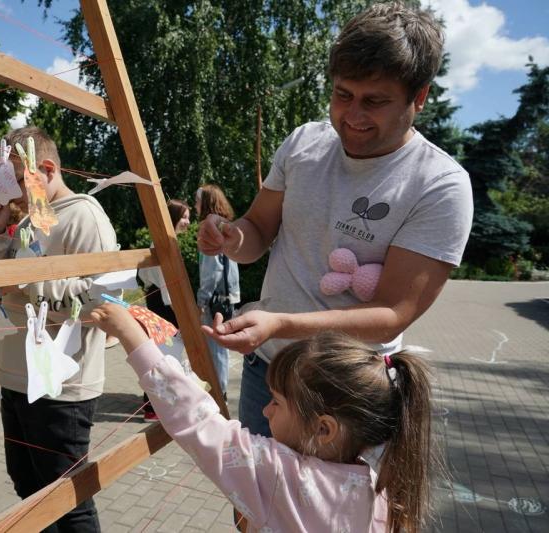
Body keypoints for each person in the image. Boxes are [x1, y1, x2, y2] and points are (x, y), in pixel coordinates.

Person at [198, 2, 473, 438]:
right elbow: (258, 231)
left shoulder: (439, 184)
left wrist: (283, 323)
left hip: (344, 389)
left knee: (330, 507)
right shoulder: (304, 143)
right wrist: (230, 238)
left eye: (375, 101)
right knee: (252, 502)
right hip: (266, 371)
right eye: (342, 94)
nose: (353, 115)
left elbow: (392, 313)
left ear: (418, 97)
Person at [92, 303, 435, 532]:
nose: (264, 410)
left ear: (323, 428)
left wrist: (131, 334)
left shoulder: (280, 476)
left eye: (277, 402)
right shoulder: (382, 489)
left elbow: (197, 421)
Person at [0, 126, 118, 533]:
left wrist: (30, 279)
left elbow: (103, 301)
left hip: (61, 390)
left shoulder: (85, 216)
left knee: (67, 503)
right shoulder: (31, 220)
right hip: (15, 380)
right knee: (29, 490)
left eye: (15, 180)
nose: (8, 193)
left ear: (46, 169)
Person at [136, 198, 191, 420]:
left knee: (165, 354)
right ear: (174, 217)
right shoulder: (162, 245)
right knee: (164, 355)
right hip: (164, 305)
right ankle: (152, 406)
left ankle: (157, 404)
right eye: (185, 216)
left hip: (160, 302)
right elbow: (166, 286)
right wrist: (182, 313)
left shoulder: (163, 242)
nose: (188, 221)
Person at [195, 185, 239, 401]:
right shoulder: (227, 227)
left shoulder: (210, 228)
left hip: (214, 300)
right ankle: (219, 390)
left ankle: (218, 393)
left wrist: (201, 300)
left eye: (197, 201)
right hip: (228, 297)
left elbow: (212, 271)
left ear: (206, 203)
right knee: (221, 347)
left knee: (216, 348)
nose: (195, 206)